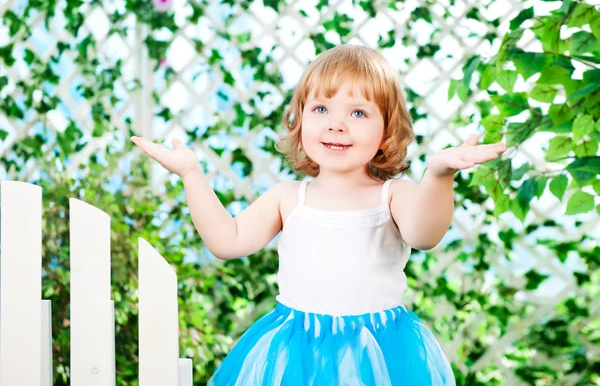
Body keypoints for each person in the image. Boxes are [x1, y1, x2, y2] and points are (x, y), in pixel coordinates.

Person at [131, 44, 506, 385]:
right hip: (295, 354)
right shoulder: (288, 198)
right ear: (300, 120)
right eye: (321, 109)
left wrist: (439, 175)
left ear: (387, 129)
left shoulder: (393, 196)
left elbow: (425, 234)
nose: (336, 124)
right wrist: (191, 174)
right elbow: (226, 241)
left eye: (358, 112)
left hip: (378, 353)